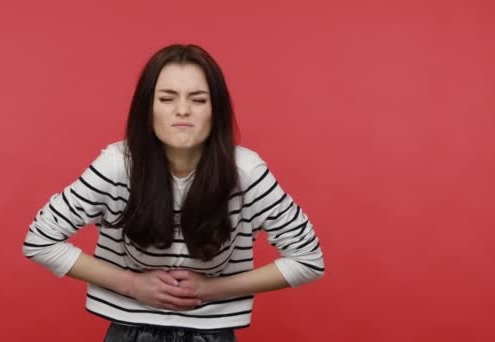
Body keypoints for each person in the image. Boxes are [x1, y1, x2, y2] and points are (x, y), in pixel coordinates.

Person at [22, 44, 325, 342]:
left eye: (198, 99)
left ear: (216, 110)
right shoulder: (117, 165)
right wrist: (132, 285)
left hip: (213, 335)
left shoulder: (246, 172)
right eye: (167, 98)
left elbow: (307, 260)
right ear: (147, 109)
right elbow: (40, 239)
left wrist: (210, 289)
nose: (182, 110)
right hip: (129, 332)